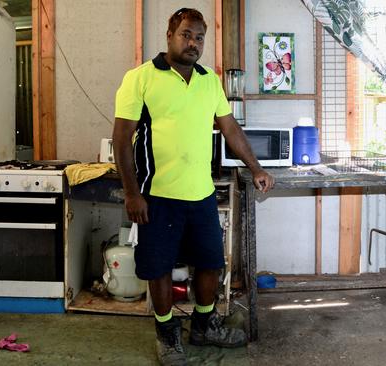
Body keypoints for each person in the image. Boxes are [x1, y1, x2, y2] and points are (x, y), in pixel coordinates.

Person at [112, 8, 274, 366]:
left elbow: (231, 129)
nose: (193, 43)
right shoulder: (140, 78)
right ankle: (167, 335)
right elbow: (121, 139)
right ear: (170, 34)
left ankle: (204, 325)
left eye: (200, 37)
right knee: (159, 269)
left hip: (200, 194)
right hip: (157, 197)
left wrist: (257, 167)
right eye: (186, 34)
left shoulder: (208, 81)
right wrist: (132, 192)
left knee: (210, 263)